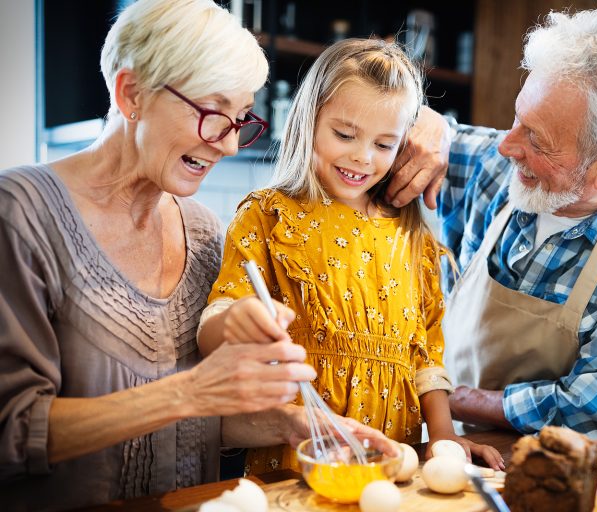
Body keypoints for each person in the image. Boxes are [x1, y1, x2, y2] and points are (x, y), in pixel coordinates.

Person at [0, 2, 393, 511]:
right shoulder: (21, 214)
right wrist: (193, 392)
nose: (229, 145)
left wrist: (291, 423)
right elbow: (11, 430)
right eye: (213, 113)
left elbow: (192, 421)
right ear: (131, 94)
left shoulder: (205, 231)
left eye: (240, 118)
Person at [385, 9, 597, 436]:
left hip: (558, 474)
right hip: (447, 449)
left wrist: (439, 398)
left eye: (537, 139)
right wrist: (423, 120)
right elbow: (388, 126)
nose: (507, 145)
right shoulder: (495, 166)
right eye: (518, 117)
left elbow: (595, 403)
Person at [197, 38, 504, 474]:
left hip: (394, 460)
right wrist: (234, 322)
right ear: (309, 121)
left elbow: (426, 361)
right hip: (297, 458)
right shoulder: (267, 215)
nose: (362, 156)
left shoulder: (411, 235)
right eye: (344, 134)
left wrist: (444, 438)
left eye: (385, 145)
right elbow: (212, 328)